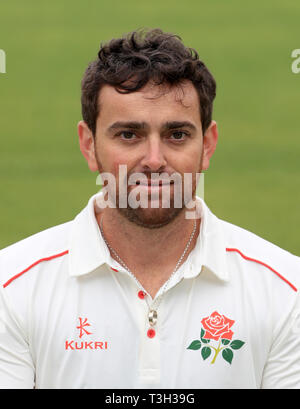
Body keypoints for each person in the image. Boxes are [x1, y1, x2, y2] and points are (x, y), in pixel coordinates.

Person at [0, 28, 299, 389]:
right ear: (89, 145)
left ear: (207, 145)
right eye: (129, 135)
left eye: (177, 135)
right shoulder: (11, 288)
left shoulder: (286, 291)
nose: (154, 160)